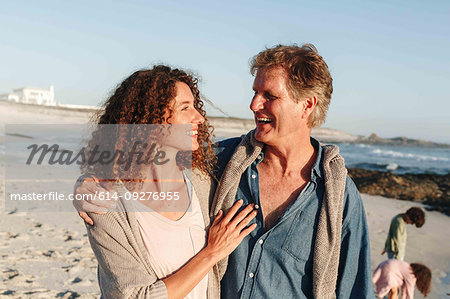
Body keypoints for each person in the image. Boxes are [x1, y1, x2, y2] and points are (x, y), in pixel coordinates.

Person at [75, 44, 374, 298]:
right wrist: (88, 183)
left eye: (269, 95)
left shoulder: (338, 198)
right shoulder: (223, 163)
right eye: (255, 92)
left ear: (306, 105)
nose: (254, 104)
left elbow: (356, 289)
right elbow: (144, 157)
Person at [75, 65, 257, 299]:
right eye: (185, 108)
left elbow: (255, 148)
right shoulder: (106, 202)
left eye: (195, 106)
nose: (199, 117)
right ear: (152, 118)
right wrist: (211, 253)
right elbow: (133, 296)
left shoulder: (202, 181)